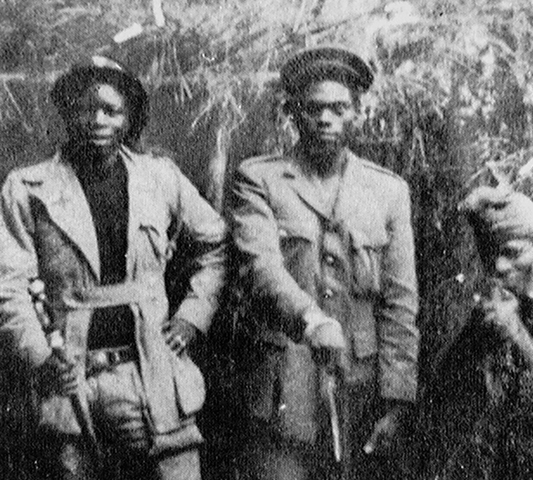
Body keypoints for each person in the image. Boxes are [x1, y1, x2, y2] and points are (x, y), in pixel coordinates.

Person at [0, 56, 227, 479]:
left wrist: (192, 317)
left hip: (153, 376)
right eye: (86, 109)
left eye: (112, 110)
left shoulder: (160, 179)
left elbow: (214, 244)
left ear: (128, 118)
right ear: (68, 112)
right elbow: (7, 283)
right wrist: (39, 354)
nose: (98, 120)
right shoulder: (28, 188)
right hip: (70, 383)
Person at [230, 46, 420, 480]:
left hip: (361, 389)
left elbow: (400, 302)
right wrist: (311, 319)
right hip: (284, 388)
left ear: (356, 112)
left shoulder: (387, 191)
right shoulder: (259, 179)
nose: (326, 119)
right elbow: (262, 269)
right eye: (314, 108)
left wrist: (396, 399)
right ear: (293, 113)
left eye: (339, 108)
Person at [426, 186, 533, 480]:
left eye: (512, 252)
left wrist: (518, 336)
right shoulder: (507, 308)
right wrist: (473, 344)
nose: (499, 266)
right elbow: (442, 394)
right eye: (491, 254)